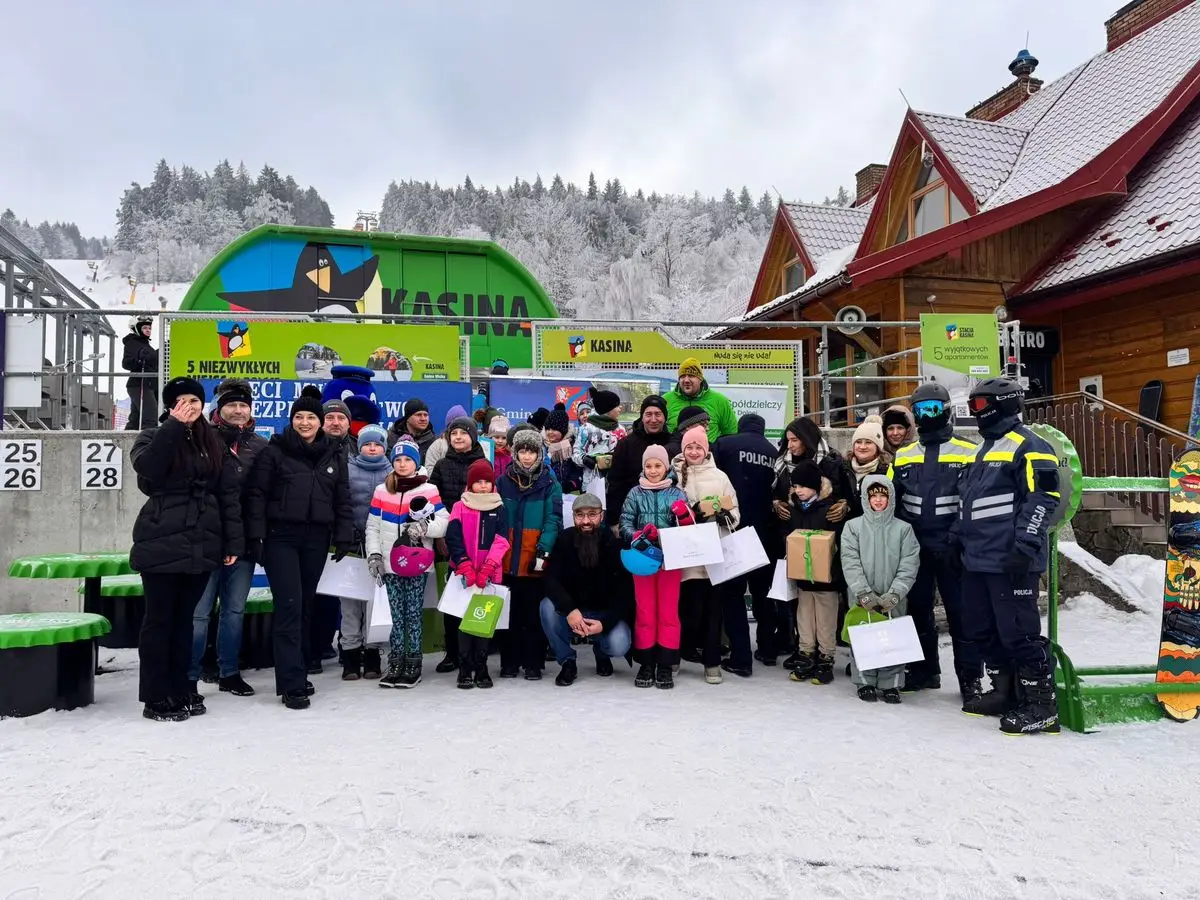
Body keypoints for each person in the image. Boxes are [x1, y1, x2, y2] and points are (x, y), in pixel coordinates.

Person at [130, 377, 243, 722]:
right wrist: (174, 427)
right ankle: (155, 695)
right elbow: (148, 470)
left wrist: (232, 541)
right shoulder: (153, 435)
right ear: (169, 406)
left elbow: (228, 492)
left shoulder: (212, 439)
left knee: (185, 621)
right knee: (159, 619)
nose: (189, 405)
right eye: (181, 400)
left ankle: (181, 687)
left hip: (202, 539)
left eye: (194, 399)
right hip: (162, 537)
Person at [959, 378, 1061, 735]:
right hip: (978, 559)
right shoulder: (982, 449)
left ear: (1004, 404)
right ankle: (1004, 690)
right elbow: (971, 503)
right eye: (972, 406)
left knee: (1018, 632)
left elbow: (1042, 499)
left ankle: (1041, 704)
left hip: (1011, 559)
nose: (976, 413)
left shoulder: (1032, 446)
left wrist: (1025, 545)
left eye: (981, 405)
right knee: (981, 629)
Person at [243, 393, 355, 709]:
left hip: (316, 539)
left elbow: (342, 499)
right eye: (298, 417)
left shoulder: (332, 454)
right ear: (292, 420)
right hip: (281, 538)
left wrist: (343, 535)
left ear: (320, 422)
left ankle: (299, 670)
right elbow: (257, 496)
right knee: (290, 606)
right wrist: (257, 537)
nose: (304, 423)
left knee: (306, 604)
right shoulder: (275, 451)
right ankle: (290, 684)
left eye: (310, 418)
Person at [889, 382, 981, 701]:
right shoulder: (903, 455)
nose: (927, 416)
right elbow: (892, 500)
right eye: (920, 411)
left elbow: (974, 502)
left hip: (954, 546)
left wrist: (959, 538)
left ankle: (970, 678)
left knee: (961, 613)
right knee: (917, 610)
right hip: (916, 547)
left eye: (932, 410)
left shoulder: (969, 451)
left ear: (946, 411)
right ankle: (924, 670)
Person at [187, 378, 265, 699]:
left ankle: (229, 672)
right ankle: (189, 676)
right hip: (205, 543)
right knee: (199, 613)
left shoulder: (261, 446)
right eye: (231, 404)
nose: (237, 410)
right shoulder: (200, 439)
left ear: (250, 410)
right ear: (219, 407)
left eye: (243, 405)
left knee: (234, 610)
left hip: (243, 544)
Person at [365, 437, 449, 688]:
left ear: (416, 463)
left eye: (408, 460)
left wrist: (425, 527)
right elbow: (373, 526)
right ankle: (396, 662)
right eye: (398, 460)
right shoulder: (382, 491)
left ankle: (413, 662)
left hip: (415, 563)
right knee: (395, 614)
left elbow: (444, 521)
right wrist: (375, 555)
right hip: (390, 564)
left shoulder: (428, 490)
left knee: (412, 613)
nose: (402, 464)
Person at [772, 416, 854, 666]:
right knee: (799, 599)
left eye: (795, 440)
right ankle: (803, 647)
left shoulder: (833, 461)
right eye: (788, 441)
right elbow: (775, 492)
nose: (791, 446)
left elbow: (848, 495)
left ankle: (824, 651)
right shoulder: (782, 464)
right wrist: (775, 503)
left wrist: (845, 505)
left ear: (808, 440)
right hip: (793, 536)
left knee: (824, 601)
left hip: (825, 537)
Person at [541, 493, 634, 686]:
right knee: (547, 607)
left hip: (603, 615)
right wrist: (569, 610)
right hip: (573, 614)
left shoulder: (614, 545)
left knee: (619, 644)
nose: (585, 521)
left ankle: (601, 652)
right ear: (573, 516)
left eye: (592, 514)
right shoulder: (565, 540)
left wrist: (605, 623)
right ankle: (567, 662)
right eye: (580, 515)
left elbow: (625, 593)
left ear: (602, 515)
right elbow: (551, 579)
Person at [842, 477, 921, 703]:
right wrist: (863, 592)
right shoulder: (853, 527)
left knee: (892, 640)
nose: (878, 500)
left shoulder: (903, 529)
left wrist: (896, 592)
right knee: (863, 638)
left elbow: (909, 563)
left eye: (882, 496)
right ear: (866, 499)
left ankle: (890, 683)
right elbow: (850, 562)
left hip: (892, 597)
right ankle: (865, 681)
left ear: (891, 498)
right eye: (873, 496)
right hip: (862, 597)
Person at [673, 420, 740, 684]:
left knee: (713, 612)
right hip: (686, 555)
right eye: (688, 447)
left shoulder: (720, 476)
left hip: (715, 553)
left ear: (706, 449)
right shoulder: (673, 474)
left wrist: (724, 516)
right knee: (686, 611)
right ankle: (675, 655)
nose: (693, 451)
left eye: (697, 447)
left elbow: (735, 510)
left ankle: (712, 662)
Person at [712, 413, 779, 676]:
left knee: (733, 596)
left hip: (734, 530)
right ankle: (768, 649)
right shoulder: (773, 452)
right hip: (765, 532)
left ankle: (742, 658)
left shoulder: (725, 445)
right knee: (763, 593)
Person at [619, 445, 688, 689]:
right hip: (644, 560)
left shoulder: (678, 494)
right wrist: (637, 535)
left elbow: (688, 526)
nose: (653, 470)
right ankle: (646, 662)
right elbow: (625, 522)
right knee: (646, 611)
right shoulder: (635, 493)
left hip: (670, 561)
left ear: (667, 467)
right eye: (648, 466)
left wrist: (683, 519)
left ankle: (666, 663)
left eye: (658, 465)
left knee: (668, 611)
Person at [497, 428, 563, 679]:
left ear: (540, 454)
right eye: (522, 450)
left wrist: (544, 551)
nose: (527, 456)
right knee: (509, 614)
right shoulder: (503, 481)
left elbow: (553, 519)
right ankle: (509, 661)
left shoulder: (549, 482)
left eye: (532, 451)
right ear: (515, 452)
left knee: (532, 615)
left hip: (534, 558)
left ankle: (534, 661)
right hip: (506, 560)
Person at [428, 414, 487, 674]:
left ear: (473, 437)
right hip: (451, 540)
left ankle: (477, 654)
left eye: (463, 433)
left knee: (479, 597)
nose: (458, 437)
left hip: (480, 543)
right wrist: (440, 536)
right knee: (453, 599)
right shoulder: (442, 465)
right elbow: (434, 503)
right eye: (454, 434)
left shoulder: (484, 463)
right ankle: (452, 653)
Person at [445, 459, 511, 689]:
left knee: (483, 621)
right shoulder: (459, 507)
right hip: (464, 574)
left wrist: (488, 567)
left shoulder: (499, 507)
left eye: (487, 482)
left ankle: (481, 666)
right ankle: (465, 666)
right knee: (464, 622)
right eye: (478, 482)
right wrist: (463, 564)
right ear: (470, 484)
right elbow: (452, 537)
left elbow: (502, 541)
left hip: (488, 575)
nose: (482, 486)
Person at [338, 424, 393, 681]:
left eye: (377, 444)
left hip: (378, 550)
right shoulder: (347, 469)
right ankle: (349, 654)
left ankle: (372, 653)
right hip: (350, 547)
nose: (372, 448)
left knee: (374, 604)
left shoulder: (393, 472)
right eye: (368, 444)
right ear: (359, 447)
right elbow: (339, 503)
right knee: (349, 604)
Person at [784, 460, 842, 685]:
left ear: (815, 487)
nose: (798, 490)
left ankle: (826, 656)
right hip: (803, 578)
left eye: (802, 486)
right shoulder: (794, 508)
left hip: (827, 579)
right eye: (795, 486)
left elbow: (837, 540)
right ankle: (806, 653)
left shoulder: (830, 508)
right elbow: (787, 534)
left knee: (826, 619)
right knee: (804, 617)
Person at [309, 395, 355, 671]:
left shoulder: (359, 450)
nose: (335, 422)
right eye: (330, 417)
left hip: (346, 533)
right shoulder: (312, 449)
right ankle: (314, 649)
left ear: (349, 423)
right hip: (315, 531)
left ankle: (343, 645)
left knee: (344, 594)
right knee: (318, 595)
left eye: (341, 418)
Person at [606, 395, 670, 530]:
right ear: (642, 416)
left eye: (658, 414)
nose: (653, 419)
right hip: (633, 521)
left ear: (665, 417)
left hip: (667, 521)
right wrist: (614, 521)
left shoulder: (672, 443)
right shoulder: (626, 445)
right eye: (648, 414)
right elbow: (615, 484)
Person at [663, 357, 738, 441]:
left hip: (708, 453)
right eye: (682, 376)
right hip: (674, 453)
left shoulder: (720, 401)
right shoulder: (665, 400)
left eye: (691, 375)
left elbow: (732, 434)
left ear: (700, 379)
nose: (686, 380)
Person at [573, 387, 626, 498]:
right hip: (591, 483)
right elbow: (576, 453)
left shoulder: (620, 429)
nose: (620, 408)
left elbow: (626, 453)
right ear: (608, 409)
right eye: (617, 405)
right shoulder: (586, 429)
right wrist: (585, 460)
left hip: (614, 484)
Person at [844, 415, 891, 515]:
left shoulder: (886, 472)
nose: (862, 446)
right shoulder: (843, 467)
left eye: (868, 442)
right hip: (845, 526)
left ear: (878, 447)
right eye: (858, 442)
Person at [123, 315, 159, 430]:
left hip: (148, 384)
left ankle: (127, 442)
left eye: (149, 328)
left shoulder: (145, 344)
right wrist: (139, 358)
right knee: (150, 416)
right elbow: (126, 363)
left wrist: (160, 351)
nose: (148, 331)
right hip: (140, 384)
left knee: (136, 417)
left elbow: (152, 361)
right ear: (136, 329)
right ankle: (147, 444)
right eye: (144, 328)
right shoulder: (132, 343)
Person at [543, 404, 582, 494]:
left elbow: (578, 472)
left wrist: (570, 484)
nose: (550, 432)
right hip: (548, 493)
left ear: (563, 430)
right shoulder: (543, 446)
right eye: (548, 429)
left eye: (554, 429)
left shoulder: (572, 446)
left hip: (569, 494)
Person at [424, 404, 469, 470]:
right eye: (455, 424)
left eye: (463, 423)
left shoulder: (474, 443)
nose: (459, 427)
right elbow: (429, 469)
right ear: (449, 426)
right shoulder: (437, 446)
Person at [488, 414, 513, 479]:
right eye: (497, 437)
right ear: (491, 437)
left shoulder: (511, 455)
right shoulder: (486, 454)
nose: (500, 441)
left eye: (504, 438)